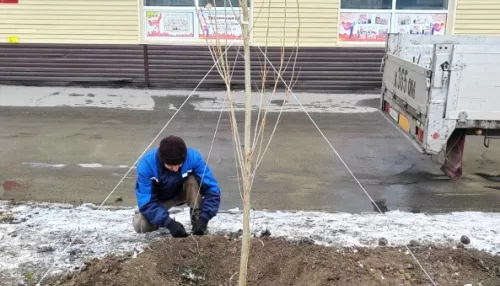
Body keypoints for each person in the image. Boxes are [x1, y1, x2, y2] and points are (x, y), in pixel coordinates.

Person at [132, 135, 221, 237]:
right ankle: (159, 221)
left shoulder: (194, 158)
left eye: (179, 165)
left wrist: (204, 217)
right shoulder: (146, 165)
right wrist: (169, 223)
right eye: (171, 166)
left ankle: (197, 220)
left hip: (184, 192)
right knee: (141, 225)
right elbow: (146, 203)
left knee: (192, 181)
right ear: (162, 160)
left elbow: (213, 190)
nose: (175, 169)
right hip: (160, 200)